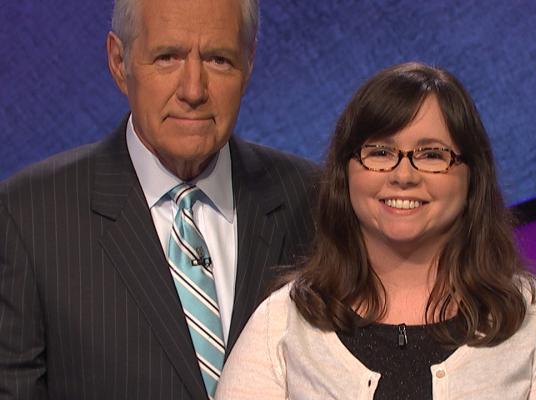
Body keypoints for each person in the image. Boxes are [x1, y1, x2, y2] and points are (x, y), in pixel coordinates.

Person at [215, 62, 536, 399]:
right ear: (346, 173)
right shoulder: (284, 323)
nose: (403, 175)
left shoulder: (533, 320)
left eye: (432, 154)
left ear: (472, 178)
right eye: (380, 152)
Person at [0, 0, 319, 399]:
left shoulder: (314, 200)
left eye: (218, 60)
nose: (193, 90)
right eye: (167, 57)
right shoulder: (28, 216)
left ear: (249, 62)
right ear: (120, 61)